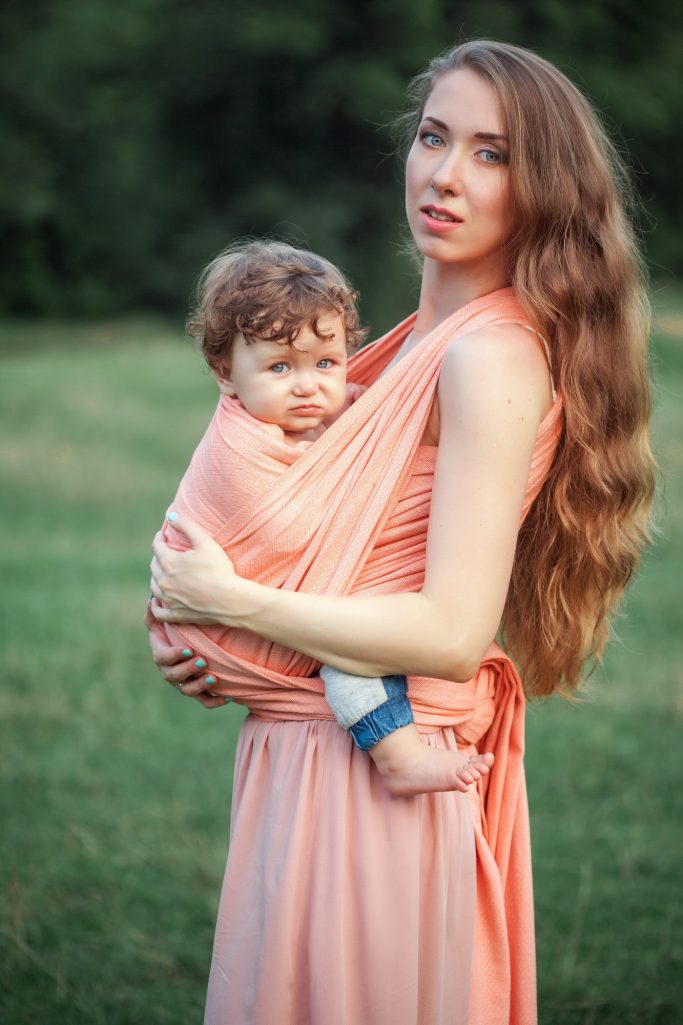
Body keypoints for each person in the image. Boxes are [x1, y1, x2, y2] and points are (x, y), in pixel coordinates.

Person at [146, 40, 654, 1025]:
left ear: (542, 187)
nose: (443, 174)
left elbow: (450, 631)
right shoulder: (398, 344)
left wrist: (229, 606)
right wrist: (205, 637)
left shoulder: (488, 358)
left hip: (376, 782)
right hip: (307, 760)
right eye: (432, 137)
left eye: (489, 153)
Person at [159, 238, 494, 796]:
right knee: (353, 639)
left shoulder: (334, 409)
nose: (308, 384)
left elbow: (372, 414)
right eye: (280, 366)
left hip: (232, 607)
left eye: (325, 363)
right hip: (225, 619)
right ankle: (397, 753)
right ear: (225, 372)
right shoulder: (238, 447)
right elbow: (287, 532)